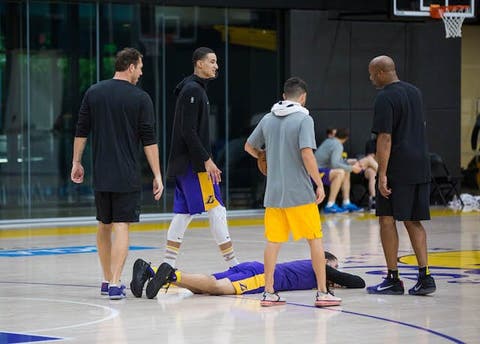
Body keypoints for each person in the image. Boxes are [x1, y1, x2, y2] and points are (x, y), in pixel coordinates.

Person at [146, 47, 239, 299]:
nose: (216, 66)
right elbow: (188, 131)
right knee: (217, 209)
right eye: (212, 61)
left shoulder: (192, 89)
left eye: (216, 61)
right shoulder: (193, 91)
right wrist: (207, 160)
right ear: (198, 64)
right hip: (193, 166)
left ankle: (167, 264)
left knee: (183, 214)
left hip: (183, 164)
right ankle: (234, 266)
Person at [71, 47, 163, 300]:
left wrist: (76, 162)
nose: (141, 73)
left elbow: (81, 131)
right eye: (140, 68)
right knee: (122, 225)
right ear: (131, 66)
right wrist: (157, 174)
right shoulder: (141, 98)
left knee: (103, 225)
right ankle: (114, 283)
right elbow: (149, 139)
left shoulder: (94, 92)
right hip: (126, 174)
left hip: (101, 173)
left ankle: (105, 279)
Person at [244, 77, 341, 308]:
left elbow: (249, 147)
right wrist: (319, 183)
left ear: (284, 95)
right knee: (315, 241)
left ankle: (268, 293)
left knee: (273, 243)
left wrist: (264, 157)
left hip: (274, 194)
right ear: (303, 97)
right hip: (300, 193)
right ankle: (322, 293)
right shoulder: (304, 119)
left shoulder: (267, 119)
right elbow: (307, 153)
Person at [366, 55, 436, 296]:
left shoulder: (385, 97)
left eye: (372, 73)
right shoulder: (415, 92)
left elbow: (385, 137)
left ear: (382, 72)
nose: (371, 78)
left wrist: (382, 173)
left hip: (399, 166)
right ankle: (425, 277)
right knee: (413, 219)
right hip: (421, 164)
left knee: (386, 217)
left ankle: (393, 278)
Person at [130, 252, 365, 299]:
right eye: (334, 265)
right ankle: (171, 274)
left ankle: (150, 272)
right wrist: (335, 275)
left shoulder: (308, 266)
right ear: (326, 262)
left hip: (254, 266)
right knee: (217, 288)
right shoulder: (319, 266)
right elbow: (357, 282)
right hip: (265, 276)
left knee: (201, 288)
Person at [315, 128, 363, 213]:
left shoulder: (330, 141)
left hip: (319, 170)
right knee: (340, 172)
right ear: (346, 138)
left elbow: (334, 161)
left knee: (346, 170)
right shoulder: (338, 145)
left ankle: (346, 202)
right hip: (316, 173)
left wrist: (348, 161)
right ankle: (330, 205)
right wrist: (352, 168)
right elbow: (335, 164)